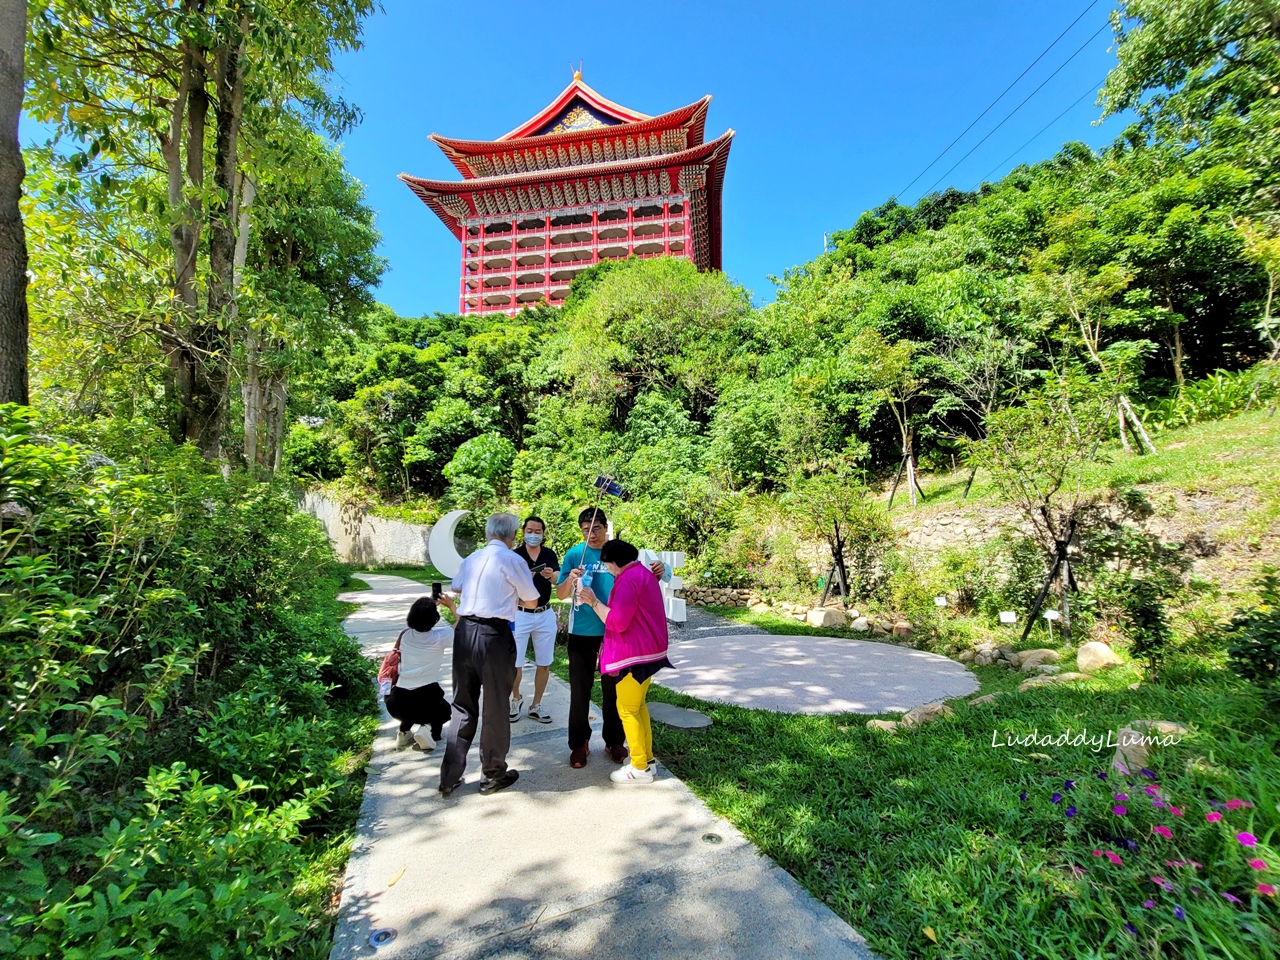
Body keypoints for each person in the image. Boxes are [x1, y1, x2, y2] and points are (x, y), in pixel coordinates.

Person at [556, 507, 667, 769]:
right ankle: (579, 743)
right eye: (585, 530)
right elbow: (560, 594)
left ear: (606, 527)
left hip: (616, 634)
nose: (590, 534)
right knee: (580, 690)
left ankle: (615, 740)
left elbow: (643, 578)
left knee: (614, 691)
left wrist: (660, 571)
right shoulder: (575, 554)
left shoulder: (618, 553)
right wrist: (570, 580)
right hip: (582, 631)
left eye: (595, 528)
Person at [439, 512, 541, 798]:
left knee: (462, 705)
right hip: (493, 636)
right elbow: (531, 599)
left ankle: (449, 776)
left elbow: (456, 586)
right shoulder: (513, 559)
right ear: (512, 535)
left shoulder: (472, 559)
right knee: (496, 705)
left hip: (464, 631)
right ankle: (492, 774)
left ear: (488, 533)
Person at [578, 538, 671, 785]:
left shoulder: (628, 579)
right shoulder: (642, 573)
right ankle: (647, 760)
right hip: (648, 652)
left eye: (608, 566)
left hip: (634, 655)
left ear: (616, 563)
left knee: (627, 709)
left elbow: (617, 621)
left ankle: (639, 767)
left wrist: (593, 601)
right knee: (638, 707)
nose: (608, 570)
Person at [387, 594, 456, 751]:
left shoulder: (404, 635)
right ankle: (429, 730)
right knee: (444, 710)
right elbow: (462, 623)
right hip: (428, 699)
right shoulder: (441, 636)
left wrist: (426, 607)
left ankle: (403, 734)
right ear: (435, 618)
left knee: (410, 708)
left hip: (397, 701)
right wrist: (451, 605)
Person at [510, 515, 559, 724]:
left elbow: (560, 580)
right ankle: (516, 698)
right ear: (523, 532)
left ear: (543, 533)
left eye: (537, 531)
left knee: (544, 662)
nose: (533, 534)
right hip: (519, 614)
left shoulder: (549, 554)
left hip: (544, 614)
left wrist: (549, 575)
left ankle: (536, 705)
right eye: (529, 531)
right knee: (515, 663)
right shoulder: (514, 555)